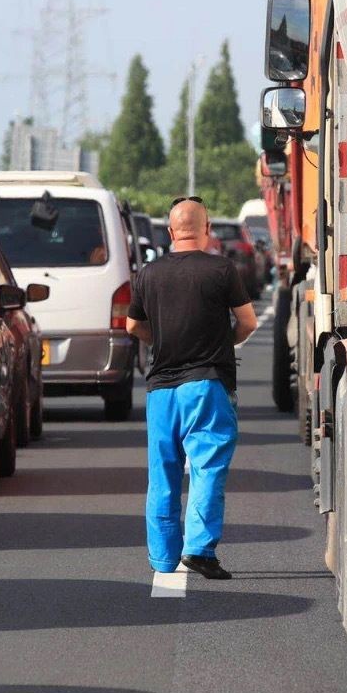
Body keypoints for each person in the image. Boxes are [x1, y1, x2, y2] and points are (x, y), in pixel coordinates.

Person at [126, 196, 258, 580]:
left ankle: (163, 558)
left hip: (161, 390)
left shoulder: (148, 274)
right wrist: (220, 341)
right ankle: (199, 549)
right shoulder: (221, 269)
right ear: (207, 230)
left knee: (163, 472)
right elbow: (247, 323)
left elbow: (133, 327)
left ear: (170, 233)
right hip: (205, 384)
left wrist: (163, 339)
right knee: (207, 466)